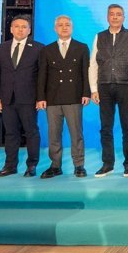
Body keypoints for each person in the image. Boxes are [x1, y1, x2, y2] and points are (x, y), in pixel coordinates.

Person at [35, 15, 90, 178]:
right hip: (52, 98)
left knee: (76, 133)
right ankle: (55, 165)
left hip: (74, 96)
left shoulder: (82, 47)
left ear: (72, 27)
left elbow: (85, 72)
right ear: (55, 28)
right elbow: (42, 75)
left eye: (67, 25)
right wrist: (40, 97)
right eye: (60, 25)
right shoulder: (47, 49)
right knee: (54, 134)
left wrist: (86, 93)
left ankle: (79, 165)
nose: (64, 27)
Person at [89, 3, 128, 178]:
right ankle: (107, 164)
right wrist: (94, 89)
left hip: (126, 87)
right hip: (104, 87)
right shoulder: (99, 37)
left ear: (123, 17)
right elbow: (93, 64)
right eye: (112, 14)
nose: (115, 17)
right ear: (107, 17)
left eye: (118, 14)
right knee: (105, 128)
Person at [0, 15, 42, 177]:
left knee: (31, 132)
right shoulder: (2, 47)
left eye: (24, 27)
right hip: (7, 98)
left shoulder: (38, 48)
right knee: (10, 133)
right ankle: (10, 165)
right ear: (11, 29)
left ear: (29, 30)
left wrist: (40, 98)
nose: (20, 29)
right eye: (17, 26)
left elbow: (42, 76)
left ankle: (32, 165)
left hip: (29, 98)